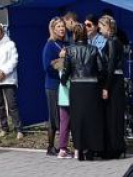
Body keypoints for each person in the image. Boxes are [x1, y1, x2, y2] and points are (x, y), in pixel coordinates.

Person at [63, 23, 104, 161]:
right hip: (92, 87)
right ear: (86, 35)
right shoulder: (94, 49)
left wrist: (63, 81)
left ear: (74, 35)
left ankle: (79, 150)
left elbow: (66, 70)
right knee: (92, 118)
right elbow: (101, 69)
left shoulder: (69, 50)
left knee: (77, 119)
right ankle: (91, 150)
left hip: (76, 87)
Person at [98, 15, 126, 159]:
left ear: (107, 26)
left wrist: (106, 87)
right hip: (116, 80)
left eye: (101, 27)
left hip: (113, 81)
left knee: (112, 115)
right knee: (115, 114)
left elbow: (110, 65)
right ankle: (117, 146)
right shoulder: (116, 41)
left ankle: (114, 147)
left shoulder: (112, 42)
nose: (99, 30)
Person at [42, 17, 69, 155]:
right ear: (53, 29)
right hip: (53, 85)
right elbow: (47, 67)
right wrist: (61, 59)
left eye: (63, 26)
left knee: (63, 115)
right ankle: (51, 146)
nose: (61, 29)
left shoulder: (66, 44)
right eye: (58, 26)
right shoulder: (50, 45)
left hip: (65, 85)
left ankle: (63, 145)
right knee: (54, 116)